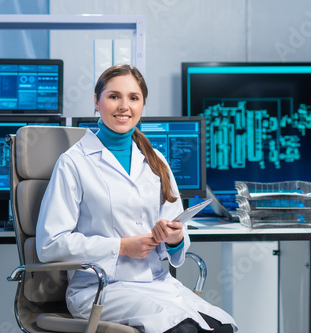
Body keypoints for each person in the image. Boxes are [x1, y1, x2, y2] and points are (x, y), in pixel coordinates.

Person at [36, 64, 237, 333]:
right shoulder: (73, 163)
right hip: (101, 290)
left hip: (156, 283)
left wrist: (174, 237)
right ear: (97, 102)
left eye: (133, 97)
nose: (124, 106)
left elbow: (176, 236)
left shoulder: (156, 162)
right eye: (114, 96)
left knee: (223, 327)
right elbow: (50, 245)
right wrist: (120, 247)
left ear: (142, 105)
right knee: (184, 330)